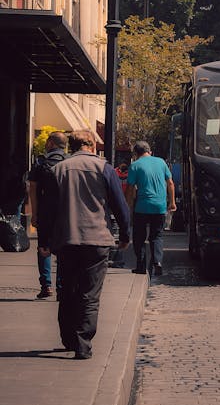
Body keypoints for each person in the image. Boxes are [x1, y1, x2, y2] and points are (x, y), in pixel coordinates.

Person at [37, 129, 130, 360]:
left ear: (72, 146)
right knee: (89, 293)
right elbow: (120, 205)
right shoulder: (104, 168)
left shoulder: (57, 170)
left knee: (67, 290)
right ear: (91, 145)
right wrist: (126, 235)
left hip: (67, 239)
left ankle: (68, 339)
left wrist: (44, 241)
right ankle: (83, 343)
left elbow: (47, 210)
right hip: (96, 239)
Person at [126, 141, 176, 276]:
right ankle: (157, 262)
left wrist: (128, 204)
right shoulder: (161, 162)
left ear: (135, 154)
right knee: (157, 235)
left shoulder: (135, 166)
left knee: (139, 237)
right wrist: (172, 202)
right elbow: (170, 183)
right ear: (150, 151)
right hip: (159, 206)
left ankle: (141, 266)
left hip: (142, 206)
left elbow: (130, 188)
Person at [28, 131, 68, 299]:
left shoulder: (40, 162)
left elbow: (33, 189)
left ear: (51, 143)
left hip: (45, 211)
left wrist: (34, 213)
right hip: (64, 212)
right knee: (63, 250)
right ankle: (60, 286)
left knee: (44, 247)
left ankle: (46, 285)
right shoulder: (69, 162)